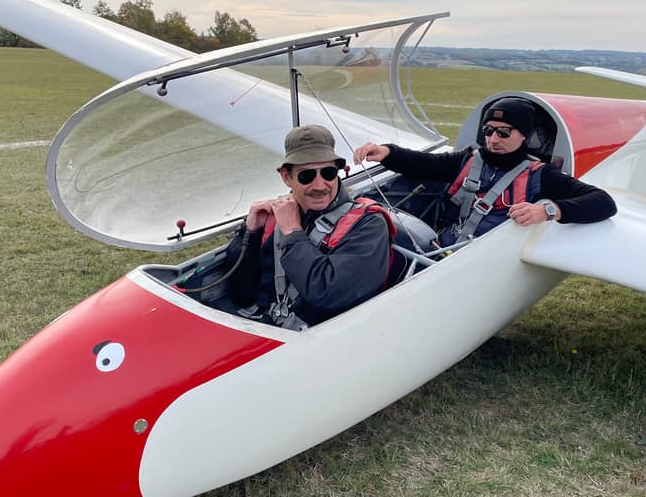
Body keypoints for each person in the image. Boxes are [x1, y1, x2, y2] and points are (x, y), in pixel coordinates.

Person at [353, 97, 617, 245]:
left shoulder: (540, 175)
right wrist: (387, 152)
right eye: (488, 131)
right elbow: (423, 163)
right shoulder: (468, 160)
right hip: (440, 250)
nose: (493, 139)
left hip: (488, 260)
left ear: (524, 136)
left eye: (504, 132)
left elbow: (604, 203)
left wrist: (548, 210)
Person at [226, 125, 395, 329]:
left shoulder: (368, 225)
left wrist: (293, 233)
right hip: (267, 328)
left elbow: (329, 293)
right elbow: (241, 294)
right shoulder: (279, 216)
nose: (319, 185)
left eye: (328, 173)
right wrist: (250, 234)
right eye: (307, 176)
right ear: (287, 177)